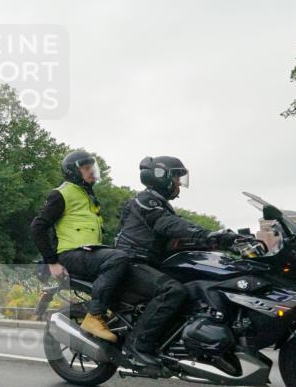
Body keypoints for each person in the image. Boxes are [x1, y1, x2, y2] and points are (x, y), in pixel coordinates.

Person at [115, 156, 238, 365]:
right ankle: (137, 345)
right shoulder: (145, 200)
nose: (179, 183)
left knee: (193, 286)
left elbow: (176, 238)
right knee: (172, 291)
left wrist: (219, 243)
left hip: (151, 263)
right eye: (176, 177)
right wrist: (208, 234)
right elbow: (168, 225)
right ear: (161, 176)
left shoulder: (159, 204)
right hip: (132, 261)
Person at [31, 150, 129, 343]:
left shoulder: (88, 196)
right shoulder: (61, 194)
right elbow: (37, 227)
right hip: (70, 255)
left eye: (93, 168)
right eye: (86, 168)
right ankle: (94, 317)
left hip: (88, 254)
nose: (92, 172)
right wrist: (52, 262)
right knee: (118, 258)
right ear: (74, 171)